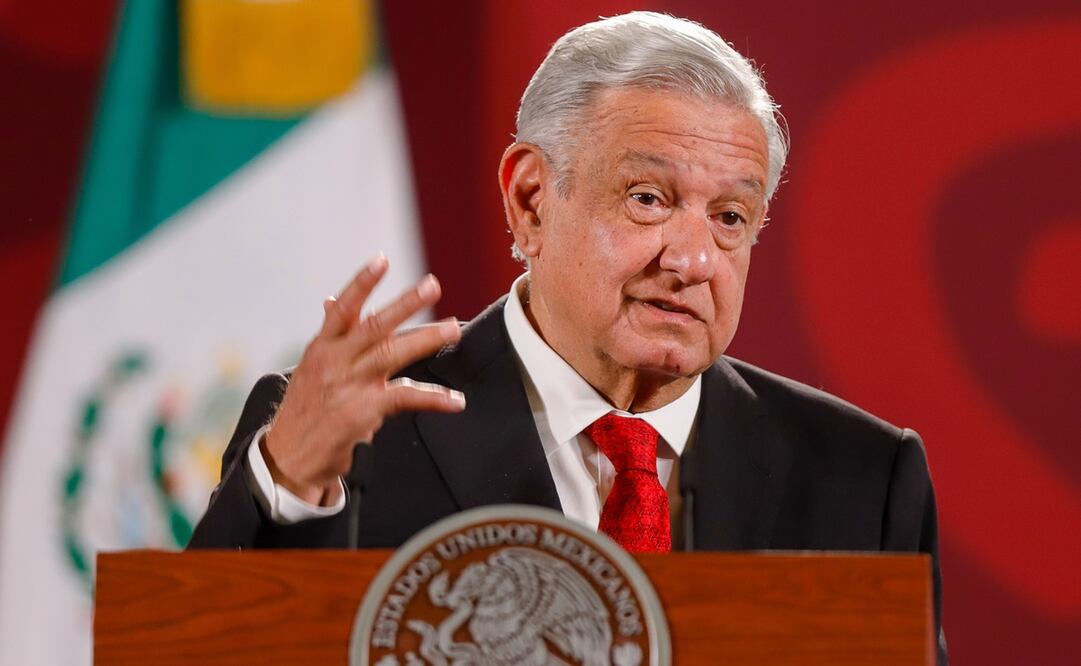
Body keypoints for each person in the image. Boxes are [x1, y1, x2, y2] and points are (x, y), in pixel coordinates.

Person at [189, 11, 946, 663]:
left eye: (729, 218)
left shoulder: (863, 478)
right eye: (648, 199)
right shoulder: (349, 436)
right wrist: (288, 488)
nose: (692, 261)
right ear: (529, 201)